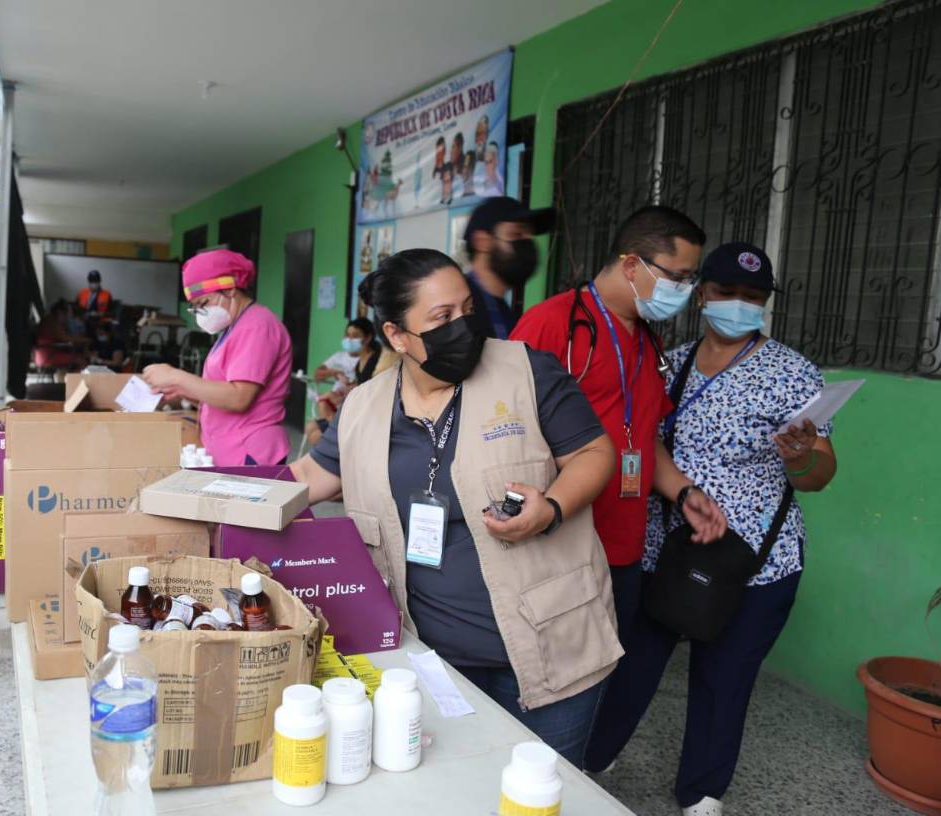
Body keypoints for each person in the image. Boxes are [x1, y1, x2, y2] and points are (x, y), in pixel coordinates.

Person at [289, 249, 622, 766]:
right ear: (397, 336)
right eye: (442, 318)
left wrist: (552, 506)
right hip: (425, 657)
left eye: (467, 310)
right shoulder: (364, 405)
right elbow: (309, 477)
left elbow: (593, 453)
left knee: (540, 790)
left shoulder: (527, 372)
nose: (463, 326)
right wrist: (210, 497)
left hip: (548, 645)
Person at [583, 242, 838, 816]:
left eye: (753, 297)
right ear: (702, 295)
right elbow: (640, 441)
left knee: (724, 681)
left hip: (754, 562)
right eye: (726, 293)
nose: (739, 305)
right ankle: (594, 756)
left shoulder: (792, 373)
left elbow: (821, 472)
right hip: (665, 551)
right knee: (631, 664)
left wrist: (800, 456)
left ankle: (702, 792)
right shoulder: (667, 363)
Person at [511, 206, 727, 659]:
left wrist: (684, 493)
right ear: (632, 265)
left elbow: (643, 435)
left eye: (691, 279)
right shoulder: (552, 325)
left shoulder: (647, 339)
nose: (686, 291)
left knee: (610, 682)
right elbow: (505, 432)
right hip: (562, 546)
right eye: (679, 277)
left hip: (625, 549)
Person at [141, 249, 292, 466]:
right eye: (195, 308)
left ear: (229, 290)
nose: (200, 313)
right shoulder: (234, 328)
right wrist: (181, 391)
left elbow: (239, 398)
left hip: (248, 450)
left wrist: (176, 376)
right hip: (227, 446)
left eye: (203, 303)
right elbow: (220, 391)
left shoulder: (257, 326)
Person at [462, 196, 555, 340]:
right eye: (516, 234)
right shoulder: (457, 307)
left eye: (529, 236)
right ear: (482, 241)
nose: (527, 243)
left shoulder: (506, 315)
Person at [305, 317, 395, 446]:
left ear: (368, 338)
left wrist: (349, 394)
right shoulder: (359, 362)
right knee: (311, 427)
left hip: (365, 416)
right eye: (347, 335)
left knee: (316, 437)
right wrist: (345, 389)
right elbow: (358, 386)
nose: (349, 340)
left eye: (355, 336)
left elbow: (374, 391)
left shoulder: (377, 360)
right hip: (350, 407)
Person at [33, 300, 88, 369]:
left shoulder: (49, 319)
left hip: (44, 355)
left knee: (78, 354)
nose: (66, 318)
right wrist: (85, 339)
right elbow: (65, 338)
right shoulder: (52, 323)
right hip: (48, 356)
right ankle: (75, 379)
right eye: (65, 315)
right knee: (80, 360)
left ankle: (71, 377)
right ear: (59, 312)